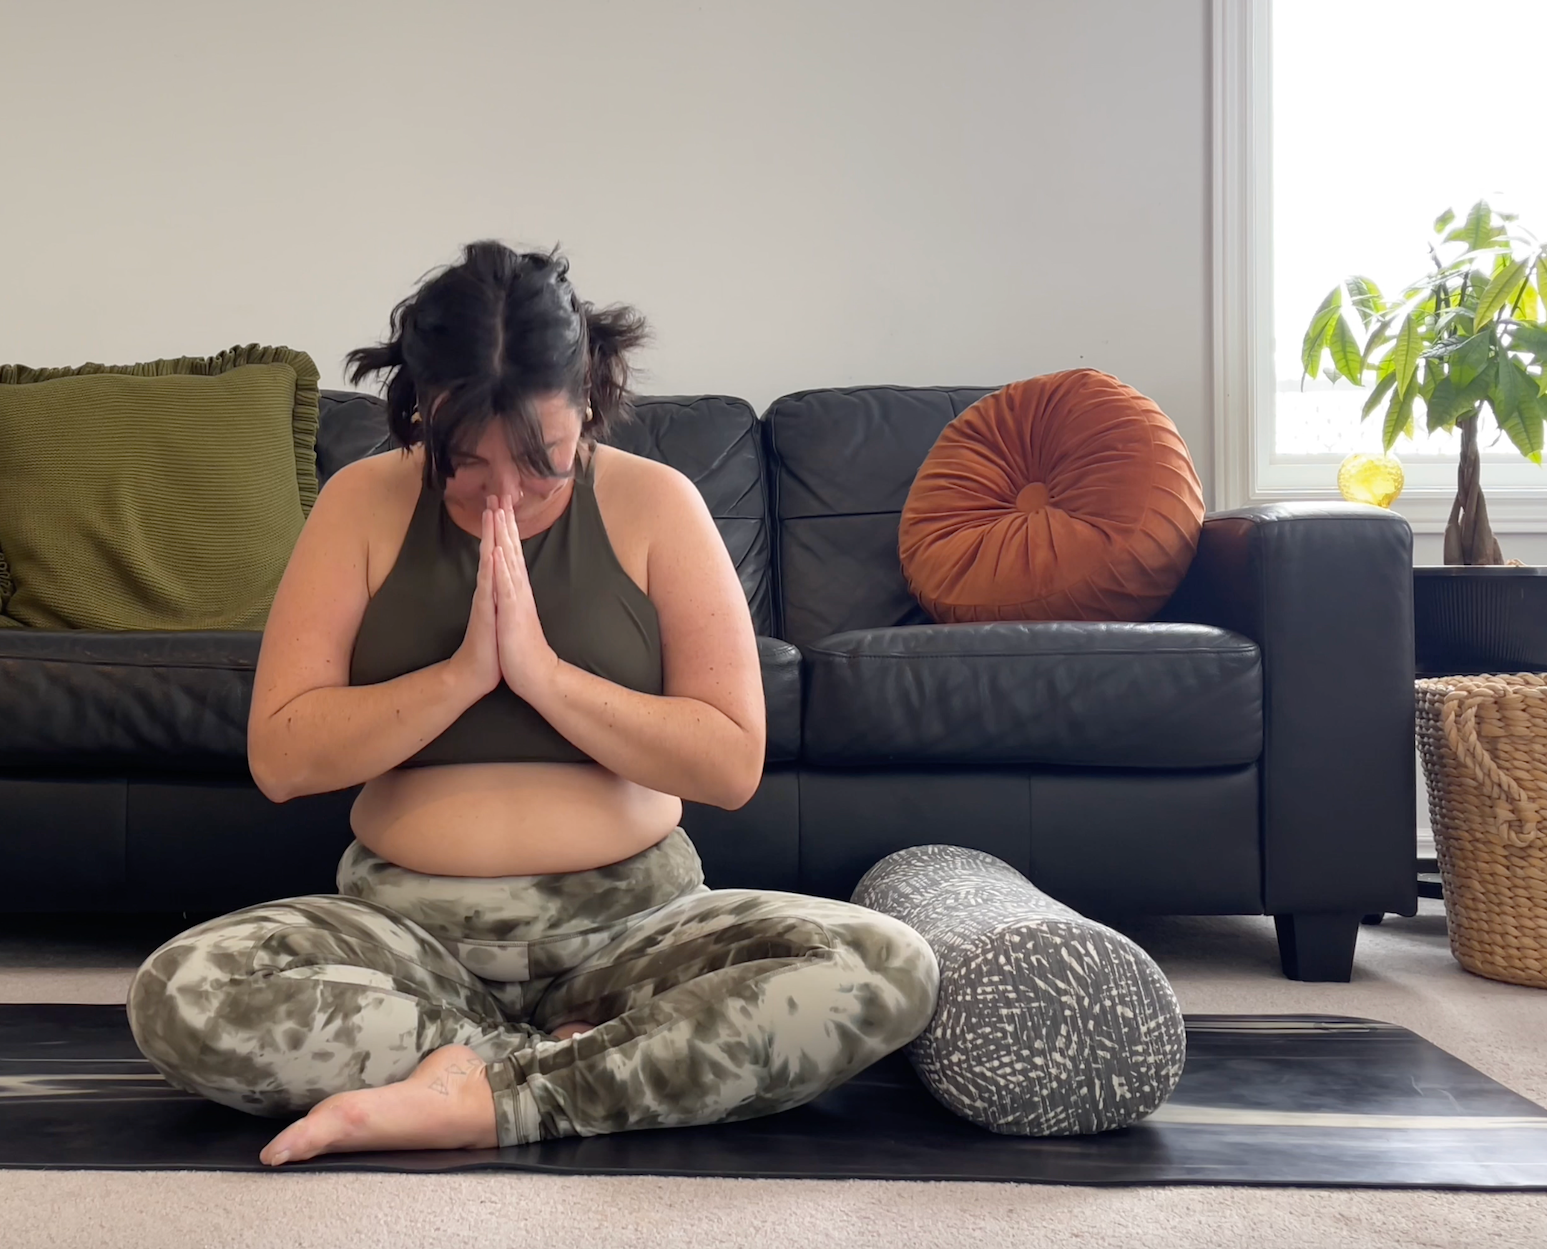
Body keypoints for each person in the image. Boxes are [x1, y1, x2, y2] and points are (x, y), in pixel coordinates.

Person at [126, 241, 938, 1165]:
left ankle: (470, 1095)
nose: (501, 494)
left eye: (541, 461)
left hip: (635, 931)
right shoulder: (360, 503)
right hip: (406, 938)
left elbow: (728, 761)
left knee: (885, 967)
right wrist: (465, 673)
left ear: (589, 402)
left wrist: (543, 675)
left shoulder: (658, 504)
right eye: (463, 462)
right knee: (178, 996)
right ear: (420, 410)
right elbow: (281, 757)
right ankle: (574, 1074)